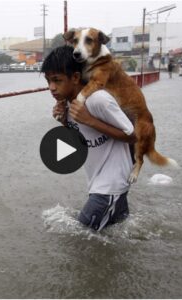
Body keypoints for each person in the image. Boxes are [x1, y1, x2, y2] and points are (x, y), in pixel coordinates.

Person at [41, 45, 136, 231]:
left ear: (75, 77)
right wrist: (64, 122)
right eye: (48, 81)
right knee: (116, 237)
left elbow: (133, 135)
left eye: (57, 80)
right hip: (100, 184)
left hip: (110, 185)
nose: (51, 87)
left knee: (81, 241)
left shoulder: (98, 99)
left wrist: (90, 120)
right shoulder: (68, 105)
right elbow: (83, 143)